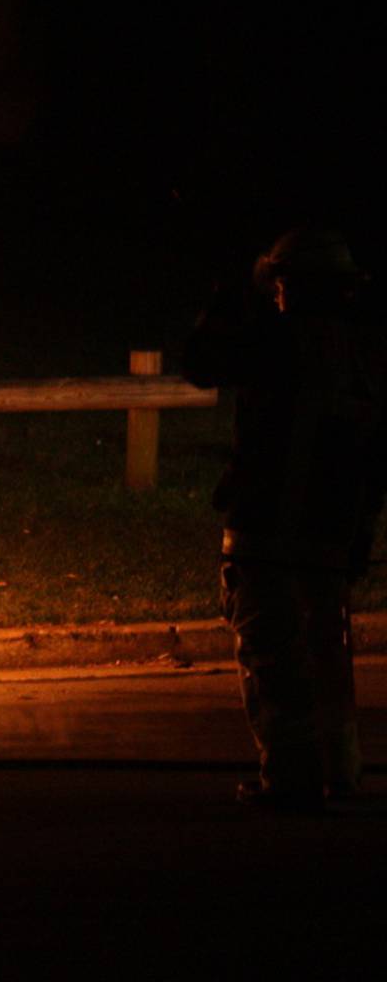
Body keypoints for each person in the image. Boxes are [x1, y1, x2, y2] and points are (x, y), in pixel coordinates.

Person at [184, 227, 385, 812]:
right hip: (330, 534)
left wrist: (224, 291)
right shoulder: (369, 354)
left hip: (264, 530)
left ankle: (292, 779)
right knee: (327, 655)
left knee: (272, 658)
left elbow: (199, 363)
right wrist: (362, 530)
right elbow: (377, 457)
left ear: (288, 286)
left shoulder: (273, 341)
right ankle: (340, 774)